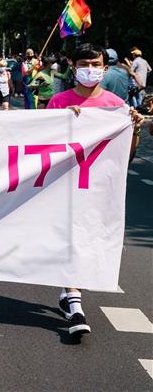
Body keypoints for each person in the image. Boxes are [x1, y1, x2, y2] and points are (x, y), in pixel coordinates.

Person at [46, 43, 143, 336]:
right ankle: (73, 299)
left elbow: (125, 155)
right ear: (73, 67)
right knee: (69, 238)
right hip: (64, 185)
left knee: (89, 240)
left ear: (105, 67)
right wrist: (62, 125)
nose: (91, 69)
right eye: (85, 63)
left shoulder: (116, 105)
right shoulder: (58, 103)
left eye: (96, 63)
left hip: (98, 189)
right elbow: (42, 147)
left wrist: (134, 129)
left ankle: (69, 294)